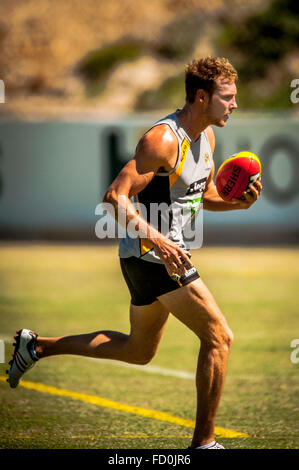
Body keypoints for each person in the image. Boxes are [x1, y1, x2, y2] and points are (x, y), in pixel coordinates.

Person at [7, 57, 262, 449]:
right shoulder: (162, 140)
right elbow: (114, 198)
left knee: (138, 350)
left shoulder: (207, 137)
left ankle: (36, 345)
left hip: (157, 258)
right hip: (153, 257)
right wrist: (158, 241)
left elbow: (203, 195)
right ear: (200, 96)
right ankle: (204, 444)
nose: (234, 105)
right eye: (227, 98)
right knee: (220, 338)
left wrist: (239, 204)